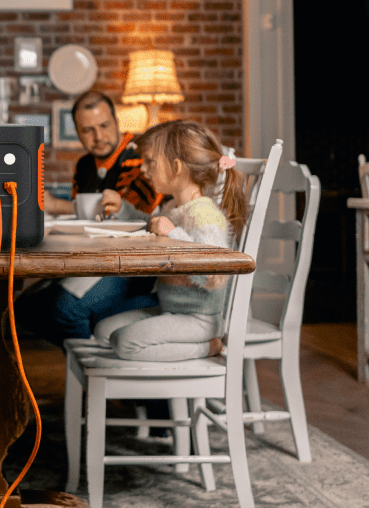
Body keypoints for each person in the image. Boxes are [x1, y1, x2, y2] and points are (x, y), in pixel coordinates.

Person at [17, 90, 164, 347]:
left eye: (104, 126)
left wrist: (57, 206)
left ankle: (90, 375)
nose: (98, 137)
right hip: (95, 257)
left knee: (62, 308)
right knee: (23, 307)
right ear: (77, 132)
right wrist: (54, 206)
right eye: (87, 130)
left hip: (134, 262)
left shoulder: (137, 156)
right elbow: (88, 216)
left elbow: (130, 216)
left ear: (116, 122)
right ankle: (85, 358)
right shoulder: (84, 165)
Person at [94, 119, 247, 361]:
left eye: (150, 162)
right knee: (103, 332)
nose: (144, 169)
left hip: (199, 318)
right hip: (171, 309)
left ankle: (210, 347)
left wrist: (173, 234)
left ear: (176, 167)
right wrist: (123, 209)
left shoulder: (205, 214)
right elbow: (153, 227)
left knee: (123, 342)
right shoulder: (173, 207)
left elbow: (214, 275)